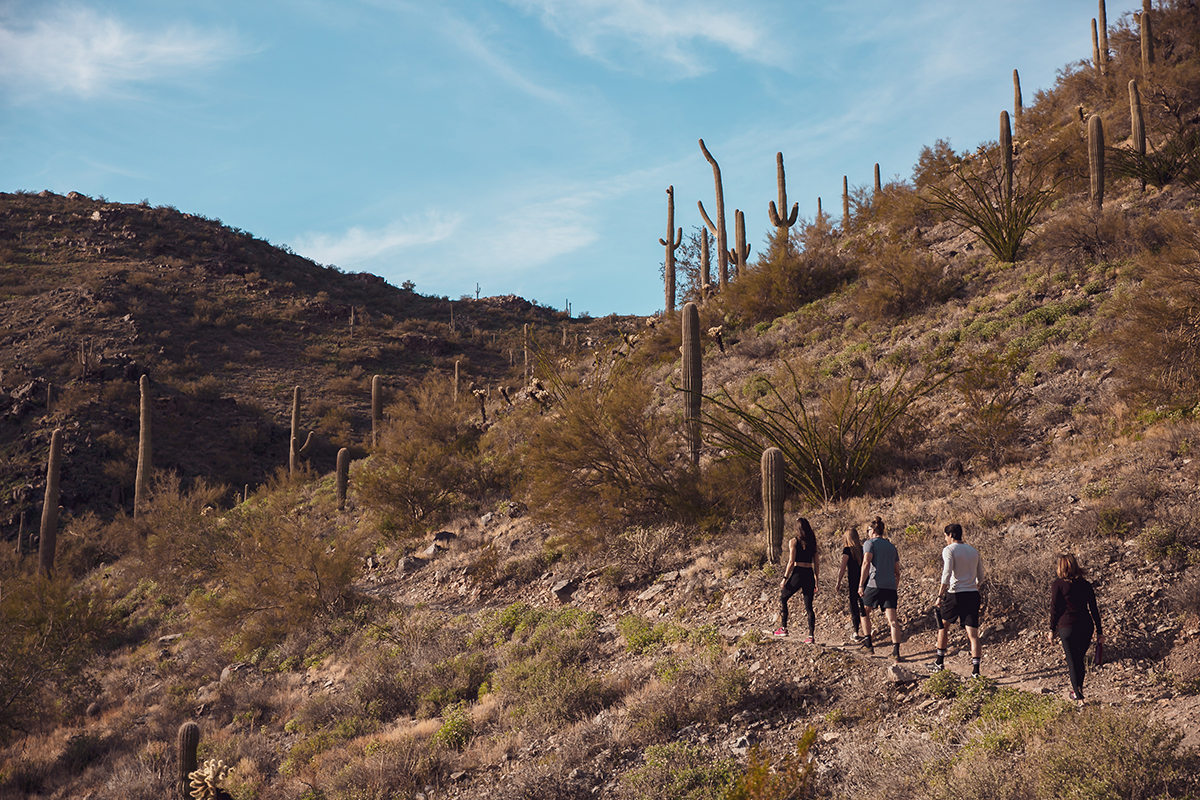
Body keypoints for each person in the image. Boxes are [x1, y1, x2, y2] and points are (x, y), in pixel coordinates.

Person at [1047, 553, 1104, 705]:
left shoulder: (1057, 585)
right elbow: (1094, 609)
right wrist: (1100, 632)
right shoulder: (1085, 584)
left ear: (1060, 567)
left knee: (1073, 663)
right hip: (1086, 626)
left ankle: (1079, 698)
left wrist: (1052, 629)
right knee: (1079, 660)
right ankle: (1077, 692)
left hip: (1067, 627)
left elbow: (1055, 609)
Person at [932, 523, 986, 676]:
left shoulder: (949, 550)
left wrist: (939, 595)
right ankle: (976, 671)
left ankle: (939, 662)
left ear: (950, 535)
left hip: (955, 593)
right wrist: (972, 584)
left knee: (943, 625)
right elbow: (980, 576)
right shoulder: (973, 551)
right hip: (972, 593)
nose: (945, 539)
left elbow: (947, 573)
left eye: (945, 536)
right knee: (973, 633)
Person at [858, 516, 902, 660]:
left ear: (874, 530)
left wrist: (861, 585)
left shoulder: (869, 544)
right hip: (890, 586)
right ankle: (896, 652)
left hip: (874, 584)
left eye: (868, 530)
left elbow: (866, 563)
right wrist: (894, 587)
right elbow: (897, 573)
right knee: (893, 620)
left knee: (864, 611)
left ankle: (868, 644)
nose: (867, 532)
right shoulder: (891, 547)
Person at [773, 517, 820, 643]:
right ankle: (811, 636)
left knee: (783, 598)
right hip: (809, 573)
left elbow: (791, 562)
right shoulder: (813, 542)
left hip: (798, 573)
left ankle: (783, 628)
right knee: (808, 606)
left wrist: (784, 578)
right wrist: (816, 580)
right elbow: (816, 563)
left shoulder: (793, 541)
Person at [835, 526, 867, 642]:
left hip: (853, 582)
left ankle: (856, 632)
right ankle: (867, 631)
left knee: (854, 606)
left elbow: (842, 568)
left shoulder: (847, 550)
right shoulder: (863, 549)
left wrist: (838, 581)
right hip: (863, 581)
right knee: (863, 605)